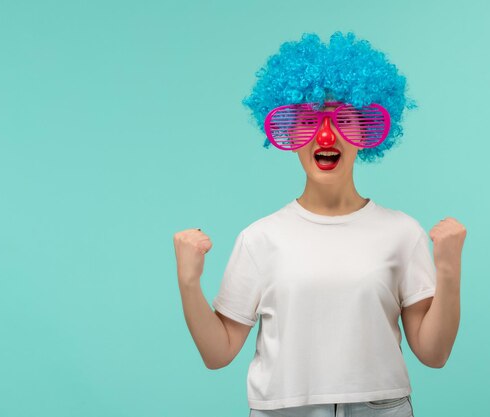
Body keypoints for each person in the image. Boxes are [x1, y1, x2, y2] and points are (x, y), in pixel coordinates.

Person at [173, 32, 466, 417]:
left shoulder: (402, 233)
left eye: (345, 118)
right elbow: (218, 352)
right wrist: (189, 283)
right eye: (307, 121)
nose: (326, 136)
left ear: (368, 132)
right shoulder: (260, 238)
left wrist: (448, 271)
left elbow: (434, 353)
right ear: (288, 134)